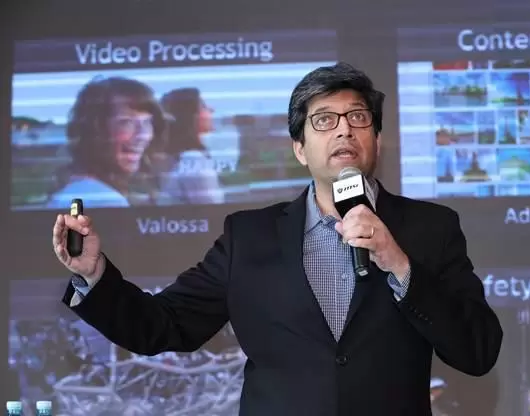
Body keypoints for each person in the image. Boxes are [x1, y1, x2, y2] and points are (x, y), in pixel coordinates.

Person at [52, 62, 503, 415]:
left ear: (376, 140)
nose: (344, 129)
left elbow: (478, 350)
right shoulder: (248, 237)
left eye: (358, 117)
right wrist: (94, 274)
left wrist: (399, 265)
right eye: (324, 120)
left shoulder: (431, 228)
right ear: (299, 149)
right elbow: (162, 325)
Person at [46, 76, 167, 208]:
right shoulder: (102, 200)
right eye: (126, 122)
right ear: (94, 131)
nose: (143, 135)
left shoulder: (80, 193)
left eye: (147, 122)